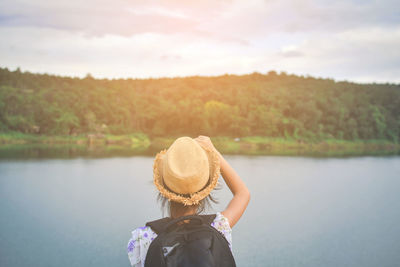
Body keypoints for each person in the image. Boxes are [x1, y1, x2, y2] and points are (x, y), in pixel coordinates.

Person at [127, 135, 250, 267]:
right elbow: (243, 194)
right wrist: (214, 152)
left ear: (164, 190)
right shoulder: (219, 227)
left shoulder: (142, 237)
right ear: (205, 192)